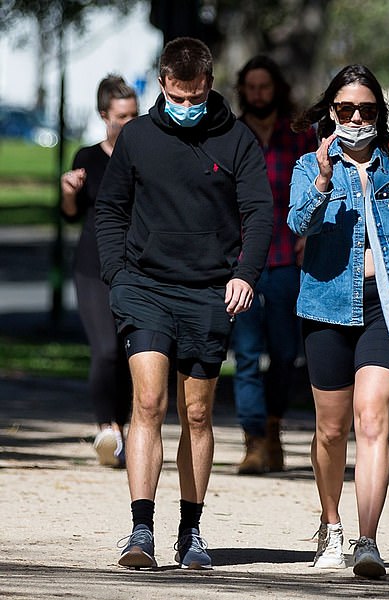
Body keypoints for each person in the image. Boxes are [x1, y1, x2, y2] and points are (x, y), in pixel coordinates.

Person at [95, 37, 273, 570]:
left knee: (197, 412)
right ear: (163, 83)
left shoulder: (237, 140)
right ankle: (140, 529)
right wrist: (117, 277)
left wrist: (245, 275)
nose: (188, 106)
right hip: (144, 288)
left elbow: (259, 214)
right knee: (149, 402)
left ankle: (191, 530)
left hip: (209, 293)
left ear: (210, 85)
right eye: (179, 95)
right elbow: (110, 210)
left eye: (197, 96)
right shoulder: (138, 138)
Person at [288, 64, 389, 578]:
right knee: (331, 430)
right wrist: (326, 180)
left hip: (387, 305)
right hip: (328, 304)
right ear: (331, 113)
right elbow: (298, 223)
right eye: (346, 109)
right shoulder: (310, 166)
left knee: (372, 417)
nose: (357, 118)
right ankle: (331, 526)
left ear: (380, 114)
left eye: (367, 110)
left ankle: (367, 540)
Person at [231, 55, 316, 474]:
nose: (259, 94)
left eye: (265, 86)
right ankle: (254, 440)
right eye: (252, 87)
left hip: (287, 258)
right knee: (245, 354)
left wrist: (309, 234)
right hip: (242, 260)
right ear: (243, 90)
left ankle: (273, 426)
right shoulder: (230, 134)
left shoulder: (299, 136)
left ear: (275, 89)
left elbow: (323, 188)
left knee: (285, 353)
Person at [60, 75, 137, 468]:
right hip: (92, 266)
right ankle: (107, 427)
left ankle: (119, 433)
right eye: (122, 116)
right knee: (105, 350)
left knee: (130, 354)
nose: (129, 122)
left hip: (135, 267)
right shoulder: (87, 157)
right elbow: (70, 215)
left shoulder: (144, 153)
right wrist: (69, 192)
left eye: (134, 115)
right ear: (104, 115)